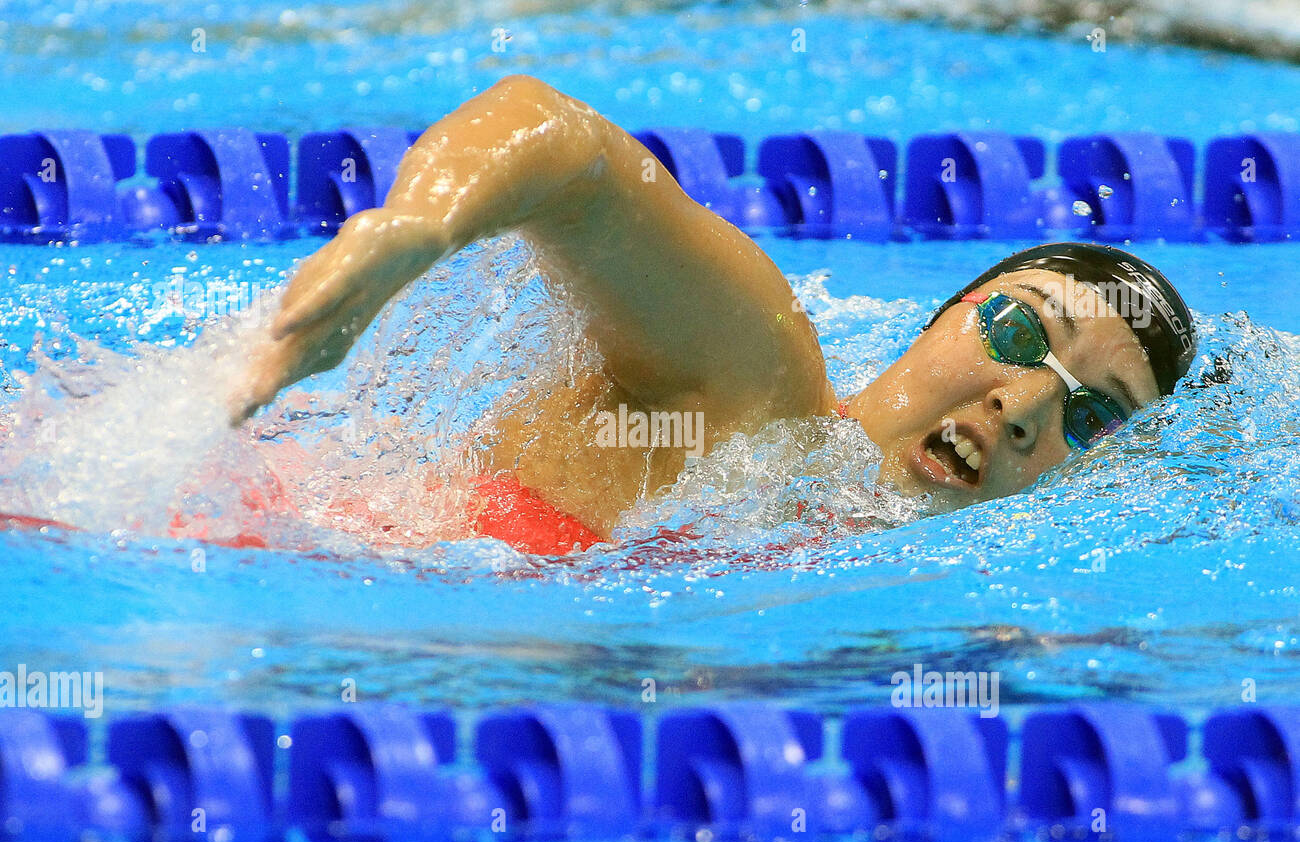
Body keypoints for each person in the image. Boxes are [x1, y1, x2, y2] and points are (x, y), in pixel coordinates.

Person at [228, 74, 1197, 551]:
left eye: (1090, 412)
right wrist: (420, 223)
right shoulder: (756, 384)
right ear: (942, 315)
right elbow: (563, 140)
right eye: (1021, 333)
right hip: (201, 532)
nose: (1023, 404)